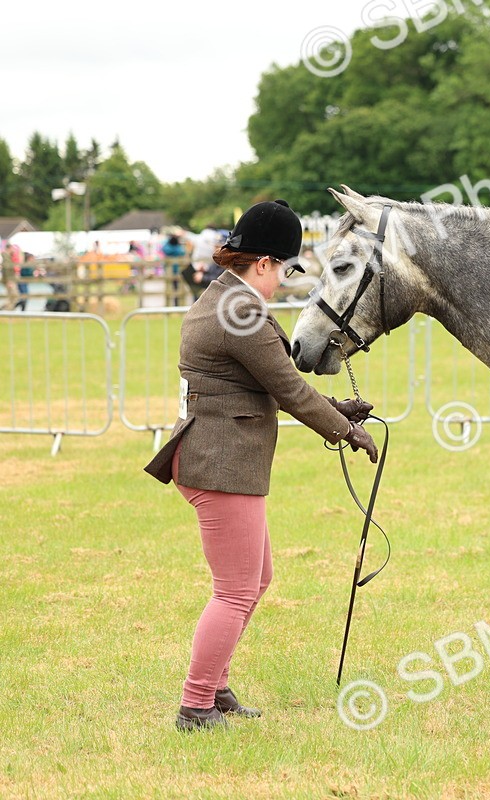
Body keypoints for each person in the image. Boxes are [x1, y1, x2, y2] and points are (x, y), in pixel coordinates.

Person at [143, 199, 380, 732]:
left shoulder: (226, 297)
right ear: (266, 263)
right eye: (288, 269)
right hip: (220, 463)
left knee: (256, 579)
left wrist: (340, 409)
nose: (287, 281)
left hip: (217, 456)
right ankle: (195, 705)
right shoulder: (243, 310)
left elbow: (264, 384)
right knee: (235, 589)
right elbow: (290, 390)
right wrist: (347, 431)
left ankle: (216, 685)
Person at [1, 242, 19, 311]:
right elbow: (7, 269)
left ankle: (8, 309)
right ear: (9, 248)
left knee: (12, 296)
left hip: (10, 279)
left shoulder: (8, 256)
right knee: (14, 295)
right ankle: (6, 309)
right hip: (10, 280)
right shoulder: (5, 256)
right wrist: (9, 281)